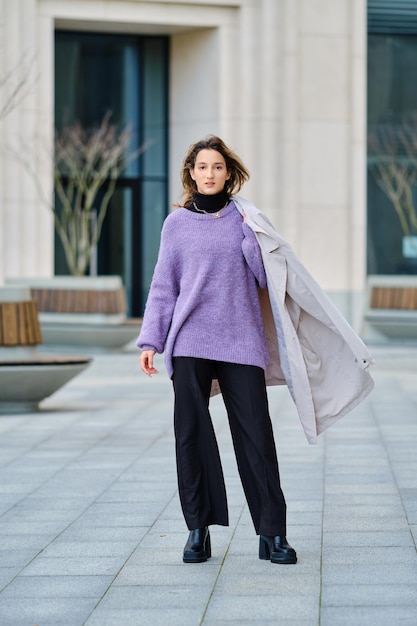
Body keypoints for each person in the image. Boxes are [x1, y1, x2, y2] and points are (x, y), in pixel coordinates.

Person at [137, 134, 297, 565]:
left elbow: (268, 280)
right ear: (191, 173)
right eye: (202, 167)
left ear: (230, 173)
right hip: (189, 339)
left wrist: (250, 240)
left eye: (217, 167)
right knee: (191, 433)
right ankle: (198, 529)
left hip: (241, 338)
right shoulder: (176, 225)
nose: (209, 174)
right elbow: (163, 286)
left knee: (256, 435)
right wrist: (152, 339)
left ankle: (272, 533)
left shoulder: (247, 218)